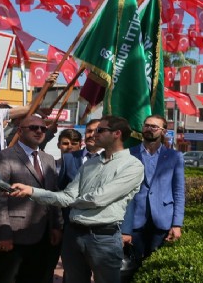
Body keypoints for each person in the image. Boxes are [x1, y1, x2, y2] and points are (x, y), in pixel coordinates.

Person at [10, 115, 145, 283]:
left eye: (100, 130)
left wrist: (72, 201)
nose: (94, 134)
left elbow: (98, 199)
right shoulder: (90, 164)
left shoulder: (133, 166)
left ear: (117, 133)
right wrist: (32, 191)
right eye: (94, 130)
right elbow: (66, 195)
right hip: (73, 236)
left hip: (103, 238)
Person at [0, 115, 62, 283]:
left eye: (43, 128)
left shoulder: (47, 159)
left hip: (44, 235)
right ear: (20, 131)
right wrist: (3, 233)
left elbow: (53, 193)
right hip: (14, 235)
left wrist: (56, 225)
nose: (39, 131)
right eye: (34, 127)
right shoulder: (4, 157)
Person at [122, 114, 185, 263]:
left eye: (154, 127)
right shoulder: (129, 154)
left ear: (163, 131)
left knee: (154, 266)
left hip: (162, 221)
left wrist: (177, 224)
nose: (149, 129)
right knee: (131, 267)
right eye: (147, 125)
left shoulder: (174, 157)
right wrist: (124, 228)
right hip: (135, 221)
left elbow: (179, 192)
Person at [57, 119, 102, 191]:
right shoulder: (68, 158)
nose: (91, 135)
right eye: (89, 131)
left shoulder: (111, 158)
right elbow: (61, 188)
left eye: (97, 131)